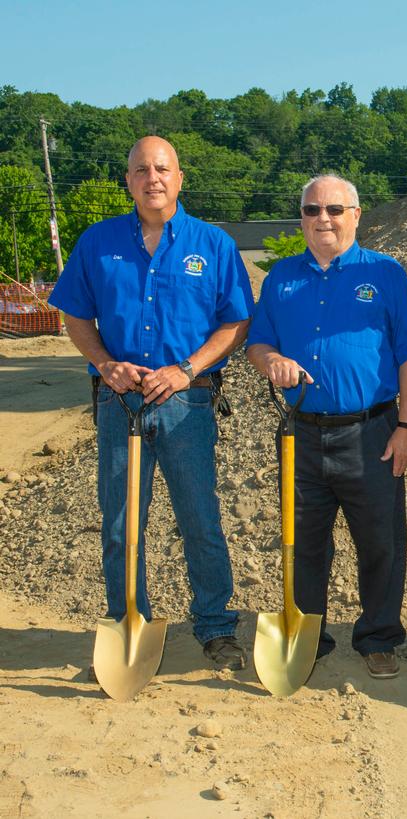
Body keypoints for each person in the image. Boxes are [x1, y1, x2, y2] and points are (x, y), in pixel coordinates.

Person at [49, 136, 254, 671]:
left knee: (200, 519)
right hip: (119, 405)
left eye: (162, 169)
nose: (153, 178)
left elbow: (236, 323)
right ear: (129, 181)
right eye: (141, 170)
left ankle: (214, 626)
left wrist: (186, 369)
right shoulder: (98, 243)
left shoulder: (213, 244)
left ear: (179, 178)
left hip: (188, 406)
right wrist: (105, 363)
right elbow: (74, 314)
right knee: (121, 523)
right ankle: (127, 625)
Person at [247, 175, 407, 680]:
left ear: (355, 214)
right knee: (303, 542)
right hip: (300, 433)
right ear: (301, 216)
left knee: (380, 542)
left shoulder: (387, 274)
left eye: (333, 209)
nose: (322, 219)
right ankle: (310, 637)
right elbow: (258, 344)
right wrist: (272, 360)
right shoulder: (280, 278)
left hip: (372, 432)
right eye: (311, 210)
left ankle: (378, 636)